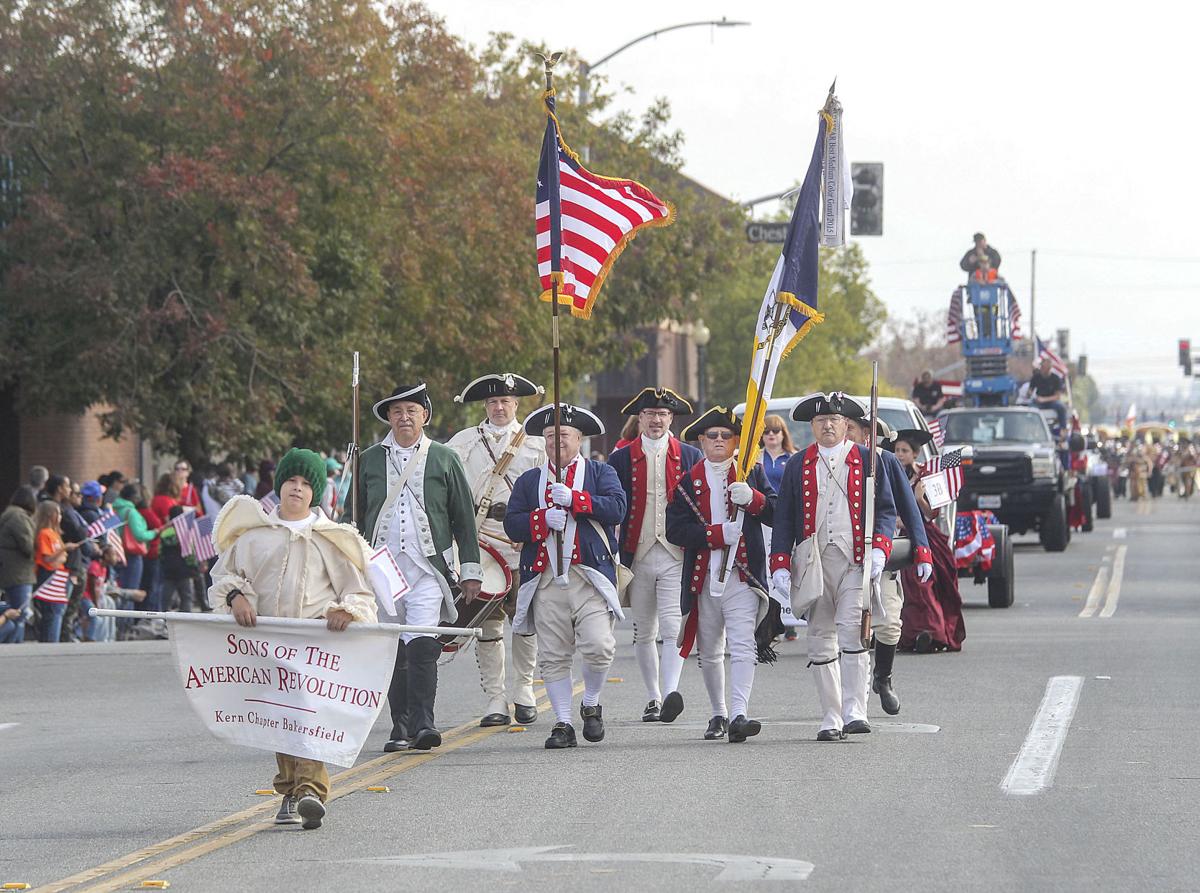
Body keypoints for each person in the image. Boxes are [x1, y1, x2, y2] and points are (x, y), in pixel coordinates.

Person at [209, 448, 378, 831]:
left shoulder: (330, 541)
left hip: (314, 648)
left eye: (305, 484)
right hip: (267, 644)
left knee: (307, 716)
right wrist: (236, 597)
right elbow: (223, 578)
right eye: (291, 481)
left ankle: (311, 792)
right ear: (279, 486)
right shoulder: (253, 539)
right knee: (281, 719)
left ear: (314, 492)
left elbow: (359, 591)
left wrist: (345, 610)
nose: (297, 489)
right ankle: (289, 788)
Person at [351, 382, 482, 753]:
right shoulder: (370, 459)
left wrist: (470, 570)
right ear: (388, 418)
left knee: (422, 645)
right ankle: (400, 726)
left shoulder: (443, 457)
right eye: (397, 412)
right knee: (394, 647)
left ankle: (424, 722)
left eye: (411, 410)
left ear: (425, 415)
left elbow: (463, 519)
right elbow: (352, 517)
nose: (404, 417)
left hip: (428, 568)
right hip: (383, 567)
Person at [770, 393, 897, 741]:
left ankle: (856, 710)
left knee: (854, 631)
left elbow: (886, 510)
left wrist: (880, 551)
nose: (828, 425)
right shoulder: (798, 464)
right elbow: (784, 517)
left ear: (846, 425)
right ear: (812, 426)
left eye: (835, 420)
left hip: (855, 558)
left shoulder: (867, 459)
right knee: (820, 638)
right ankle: (831, 715)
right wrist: (780, 561)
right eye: (821, 420)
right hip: (814, 562)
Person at [504, 404, 627, 750]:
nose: (556, 442)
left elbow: (618, 508)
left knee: (600, 647)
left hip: (588, 577)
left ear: (578, 439)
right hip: (544, 578)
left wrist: (577, 500)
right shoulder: (530, 480)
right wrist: (541, 520)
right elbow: (512, 523)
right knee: (554, 655)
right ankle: (563, 722)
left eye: (563, 436)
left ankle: (591, 701)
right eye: (549, 437)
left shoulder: (600, 472)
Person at [665, 406, 776, 742]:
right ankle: (719, 713)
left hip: (742, 575)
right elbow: (675, 530)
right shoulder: (688, 480)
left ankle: (740, 712)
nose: (717, 440)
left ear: (736, 441)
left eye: (725, 435)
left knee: (743, 644)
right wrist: (714, 535)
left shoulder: (751, 472)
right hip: (703, 578)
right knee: (710, 649)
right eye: (711, 435)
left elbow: (776, 511)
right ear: (701, 440)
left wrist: (753, 499)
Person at [446, 372, 547, 728]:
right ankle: (495, 697)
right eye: (492, 402)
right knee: (487, 626)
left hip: (521, 540)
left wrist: (532, 529)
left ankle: (523, 691)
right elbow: (451, 495)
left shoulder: (535, 443)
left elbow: (546, 491)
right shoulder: (463, 443)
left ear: (517, 404)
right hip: (481, 542)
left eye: (505, 401)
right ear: (485, 406)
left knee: (524, 620)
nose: (499, 407)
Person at [606, 387, 701, 723]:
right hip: (638, 552)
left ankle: (670, 692)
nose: (656, 420)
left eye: (662, 414)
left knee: (674, 625)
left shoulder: (690, 456)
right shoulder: (620, 458)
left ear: (671, 418)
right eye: (650, 414)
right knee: (644, 629)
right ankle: (652, 696)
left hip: (676, 554)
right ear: (640, 419)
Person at [843, 418, 933, 715]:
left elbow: (908, 506)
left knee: (890, 621)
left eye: (852, 429)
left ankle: (883, 677)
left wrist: (921, 550)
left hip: (880, 552)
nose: (846, 433)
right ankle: (846, 695)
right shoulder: (829, 460)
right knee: (844, 626)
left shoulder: (886, 461)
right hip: (841, 554)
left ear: (867, 435)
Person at [890, 432, 966, 653]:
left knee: (925, 583)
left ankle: (933, 633)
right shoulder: (890, 473)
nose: (900, 454)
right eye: (897, 450)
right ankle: (910, 635)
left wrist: (919, 499)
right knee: (904, 588)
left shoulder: (926, 476)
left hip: (923, 535)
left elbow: (932, 513)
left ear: (915, 454)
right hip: (897, 535)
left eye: (905, 451)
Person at [33, 499, 78, 643]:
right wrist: (64, 549)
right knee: (53, 613)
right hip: (48, 575)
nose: (60, 517)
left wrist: (62, 553)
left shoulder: (55, 534)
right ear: (50, 515)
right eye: (57, 513)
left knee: (58, 612)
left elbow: (62, 558)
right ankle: (50, 644)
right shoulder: (44, 534)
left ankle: (52, 641)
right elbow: (48, 558)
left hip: (59, 574)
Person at [0, 486, 39, 644]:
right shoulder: (19, 517)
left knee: (14, 612)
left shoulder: (8, 514)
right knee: (20, 613)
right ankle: (16, 646)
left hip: (9, 571)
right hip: (19, 573)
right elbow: (27, 546)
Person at [1029, 357, 1068, 430]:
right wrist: (1032, 395)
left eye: (1044, 367)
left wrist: (1044, 399)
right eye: (1042, 366)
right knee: (1031, 409)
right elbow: (1030, 390)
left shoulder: (1056, 379)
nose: (1042, 369)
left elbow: (1057, 396)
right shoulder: (1036, 377)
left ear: (1049, 368)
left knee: (1061, 407)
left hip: (1051, 401)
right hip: (1038, 401)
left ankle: (1063, 429)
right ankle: (1032, 428)